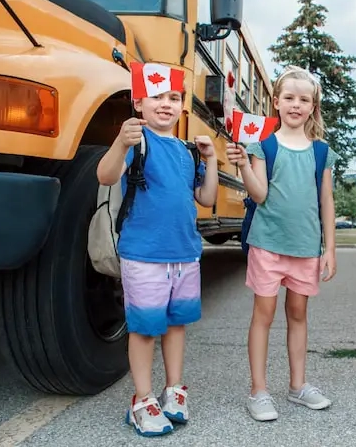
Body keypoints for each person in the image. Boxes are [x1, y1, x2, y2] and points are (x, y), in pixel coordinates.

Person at [96, 83, 219, 436]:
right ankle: (142, 400)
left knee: (176, 324)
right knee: (146, 329)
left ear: (182, 106)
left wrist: (209, 159)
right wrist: (121, 141)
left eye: (174, 98)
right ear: (139, 102)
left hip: (185, 254)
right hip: (145, 255)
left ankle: (174, 390)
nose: (166, 104)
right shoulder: (138, 142)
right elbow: (105, 176)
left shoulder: (185, 151)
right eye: (157, 97)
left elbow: (207, 197)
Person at [226, 65, 338, 422]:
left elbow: (326, 202)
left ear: (312, 106)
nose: (296, 104)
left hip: (306, 248)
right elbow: (258, 195)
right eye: (289, 97)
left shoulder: (321, 151)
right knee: (264, 315)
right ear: (276, 102)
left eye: (304, 99)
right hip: (267, 245)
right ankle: (258, 391)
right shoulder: (263, 146)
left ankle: (298, 385)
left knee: (298, 315)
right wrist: (244, 164)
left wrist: (330, 249)